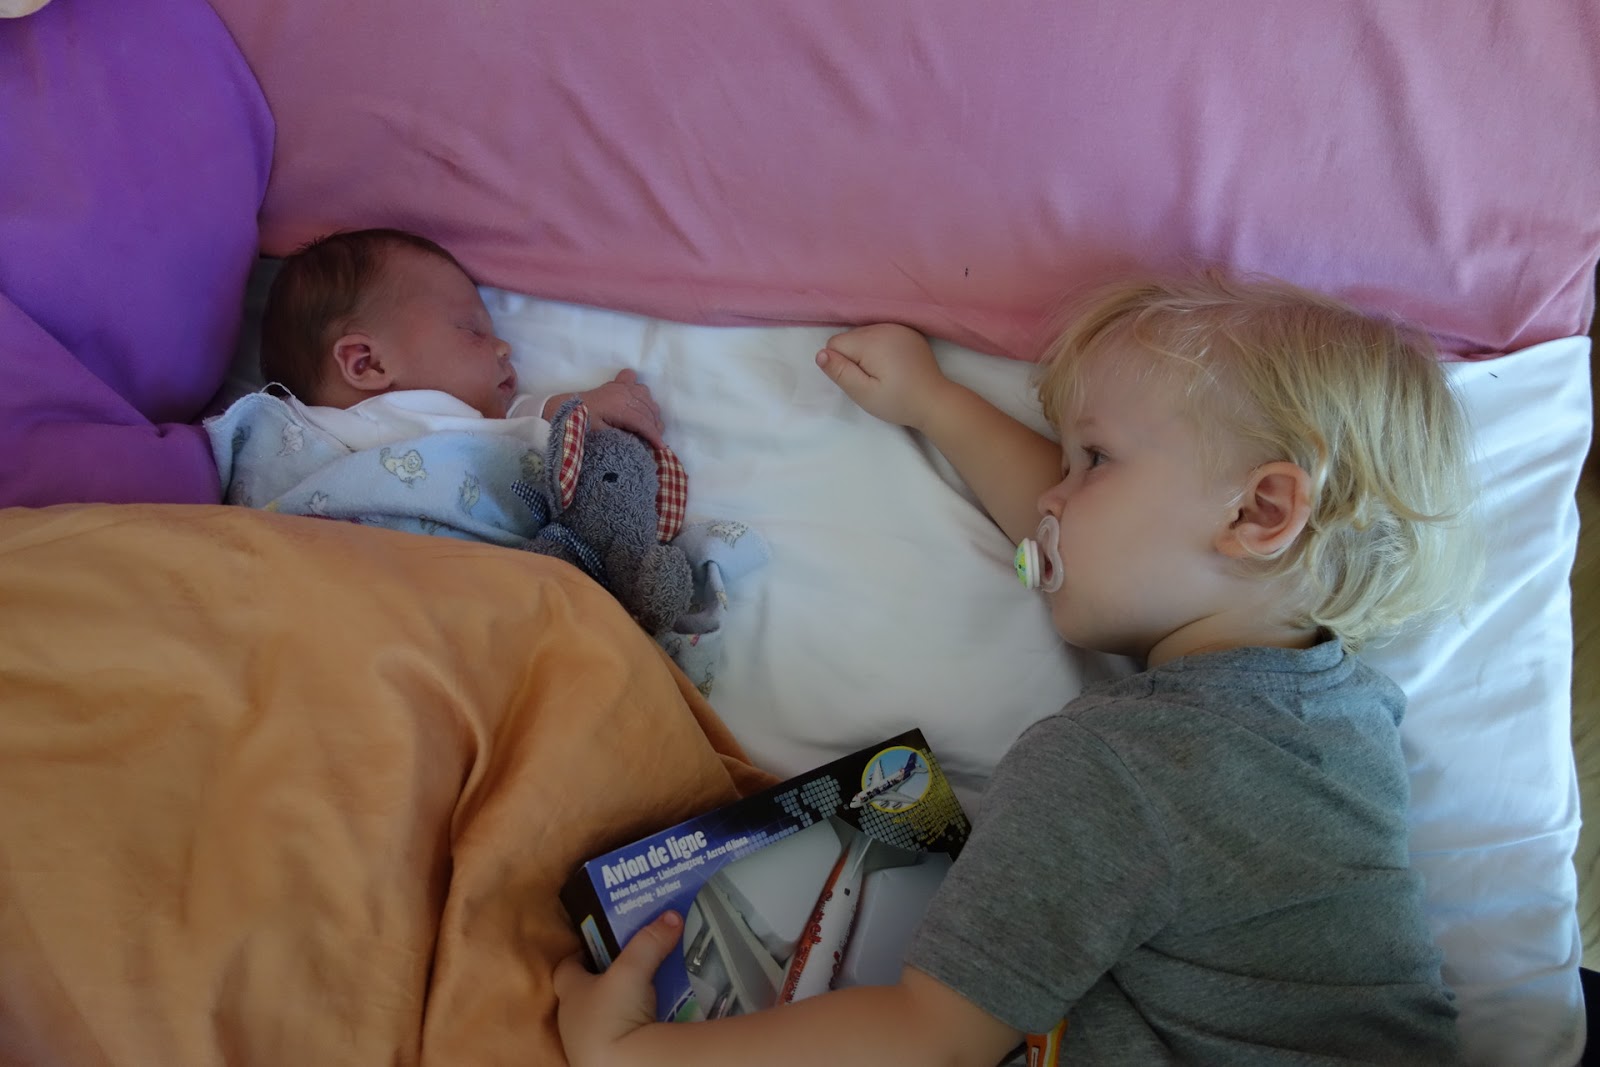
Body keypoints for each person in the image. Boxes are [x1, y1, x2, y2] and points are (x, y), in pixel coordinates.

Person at [553, 271, 1479, 1065]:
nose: (1053, 502)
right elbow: (1110, 543)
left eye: (1093, 459)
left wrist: (632, 1051)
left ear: (1259, 513)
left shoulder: (1119, 760)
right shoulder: (1344, 709)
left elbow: (932, 1035)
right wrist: (935, 403)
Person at [257, 226, 664, 444]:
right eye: (471, 330)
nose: (504, 347)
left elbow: (504, 425)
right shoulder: (303, 430)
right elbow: (508, 436)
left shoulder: (455, 420)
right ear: (368, 363)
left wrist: (564, 409)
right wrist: (574, 414)